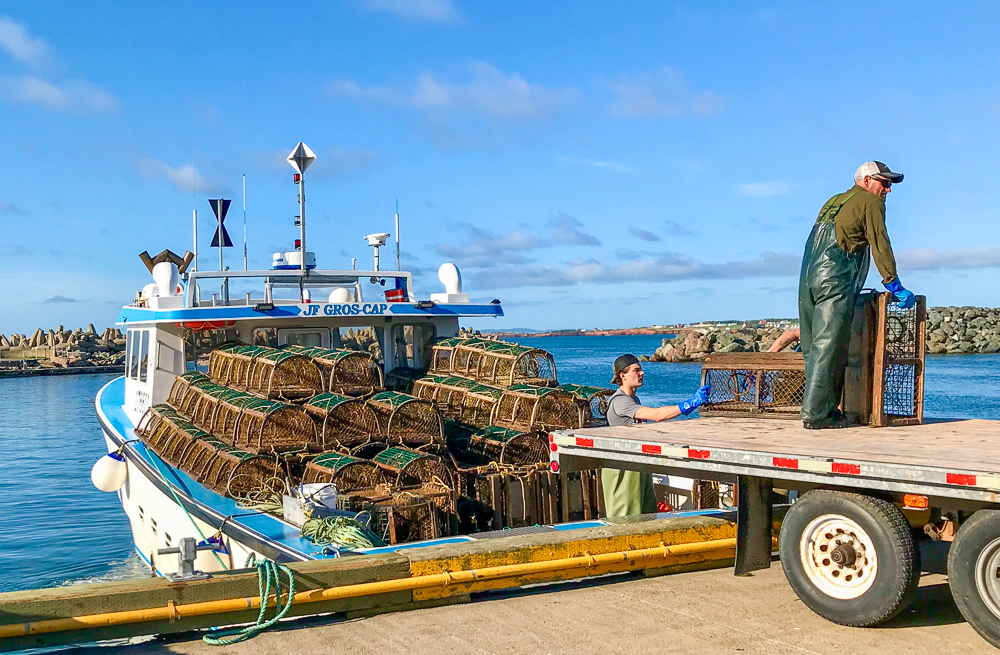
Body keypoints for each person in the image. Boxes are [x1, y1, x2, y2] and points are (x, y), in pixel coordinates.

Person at [798, 161, 916, 429]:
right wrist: (893, 283)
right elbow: (879, 241)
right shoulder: (871, 202)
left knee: (812, 344)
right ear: (866, 181)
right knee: (830, 344)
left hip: (808, 278)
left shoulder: (834, 200)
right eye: (884, 183)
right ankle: (818, 415)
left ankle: (821, 408)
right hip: (834, 279)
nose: (888, 190)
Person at [601, 354, 710, 517]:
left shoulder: (633, 399)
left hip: (636, 462)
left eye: (641, 369)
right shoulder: (620, 401)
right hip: (623, 467)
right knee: (627, 519)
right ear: (622, 376)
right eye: (636, 370)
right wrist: (689, 404)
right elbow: (657, 414)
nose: (642, 373)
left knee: (646, 514)